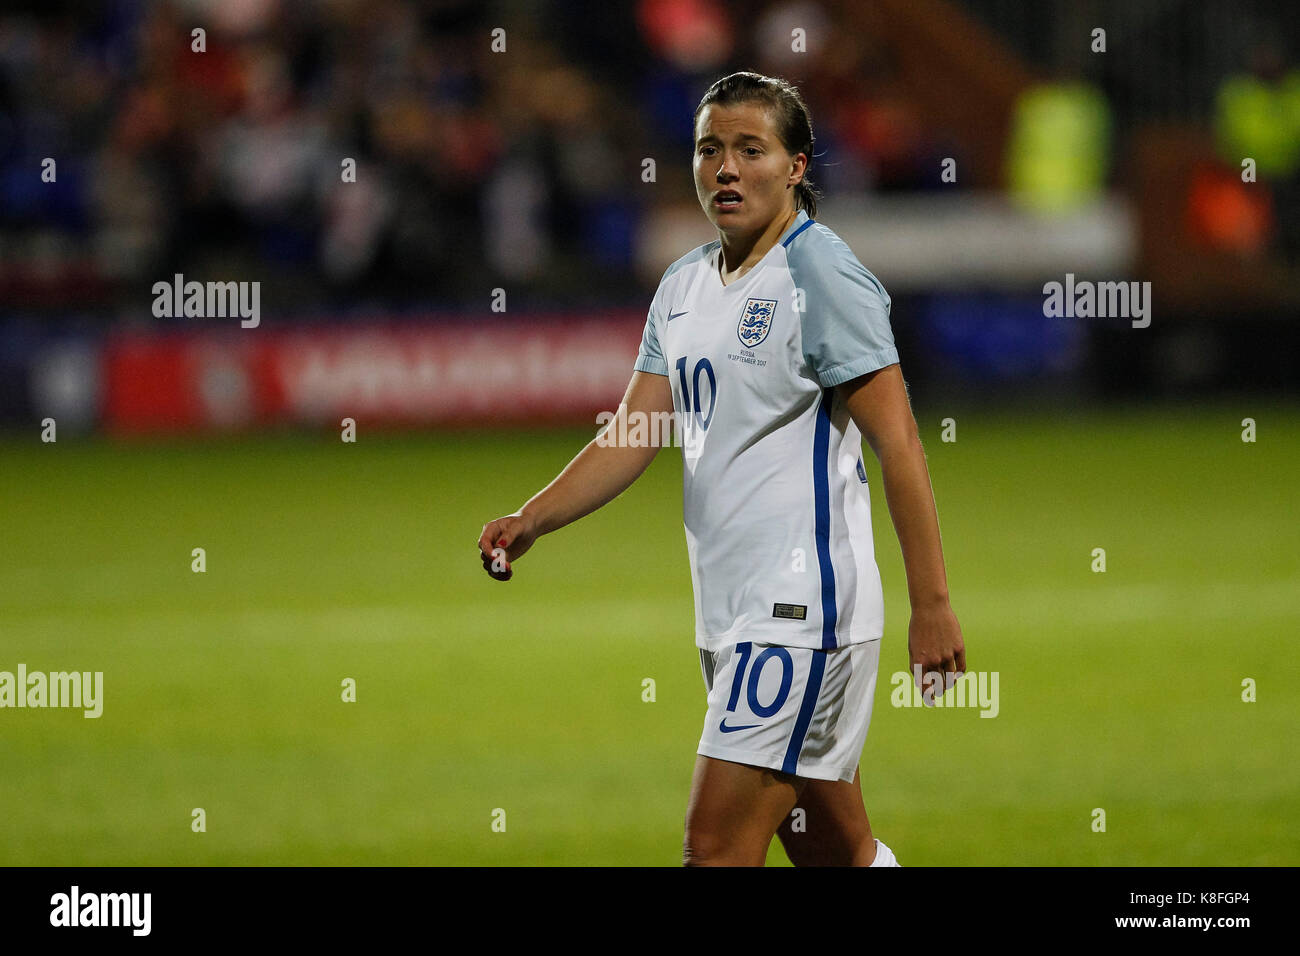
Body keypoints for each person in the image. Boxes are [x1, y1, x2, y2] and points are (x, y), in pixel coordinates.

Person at [477, 72, 965, 866]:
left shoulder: (821, 275)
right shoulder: (683, 286)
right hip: (729, 617)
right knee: (836, 853)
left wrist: (933, 605)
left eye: (750, 150)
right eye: (711, 149)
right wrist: (535, 515)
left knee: (713, 851)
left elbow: (901, 444)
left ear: (797, 166)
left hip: (802, 614)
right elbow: (635, 429)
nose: (726, 169)